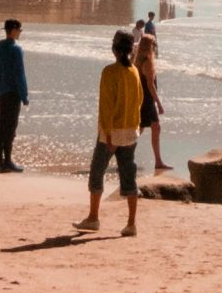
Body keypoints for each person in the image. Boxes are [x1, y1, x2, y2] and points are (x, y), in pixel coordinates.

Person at [72, 28, 144, 238]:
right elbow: (139, 101)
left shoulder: (109, 72)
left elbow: (106, 107)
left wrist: (109, 135)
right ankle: (131, 224)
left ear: (114, 49)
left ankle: (93, 217)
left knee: (97, 172)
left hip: (112, 131)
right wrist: (136, 127)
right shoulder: (134, 72)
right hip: (131, 130)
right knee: (128, 175)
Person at [0, 18, 28, 172]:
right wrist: (24, 95)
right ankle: (8, 161)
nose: (20, 33)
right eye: (19, 30)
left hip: (1, 92)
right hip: (13, 93)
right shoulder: (16, 49)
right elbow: (20, 74)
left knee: (0, 125)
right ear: (13, 30)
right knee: (10, 127)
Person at [136, 28, 171, 174]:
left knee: (139, 129)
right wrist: (159, 103)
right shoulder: (148, 62)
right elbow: (150, 85)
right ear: (150, 46)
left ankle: (122, 154)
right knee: (155, 127)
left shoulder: (137, 59)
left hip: (140, 98)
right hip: (147, 101)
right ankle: (158, 161)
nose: (155, 47)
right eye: (154, 45)